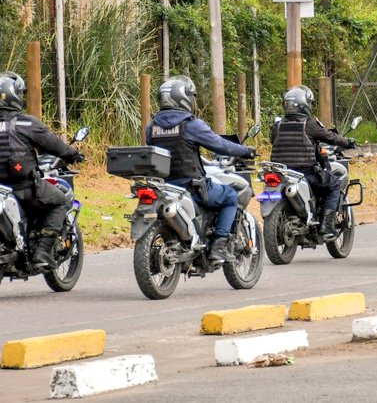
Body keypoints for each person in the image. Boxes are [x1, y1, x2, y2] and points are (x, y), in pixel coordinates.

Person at [0, 72, 84, 270]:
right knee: (61, 202)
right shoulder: (24, 123)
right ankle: (43, 251)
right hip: (21, 188)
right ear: (14, 95)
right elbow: (52, 143)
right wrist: (73, 154)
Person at [145, 75, 255, 263]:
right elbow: (220, 145)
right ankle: (218, 247)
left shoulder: (152, 126)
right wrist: (245, 151)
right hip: (191, 186)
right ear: (184, 99)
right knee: (229, 197)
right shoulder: (191, 125)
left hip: (165, 186)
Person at [269, 85, 356, 241]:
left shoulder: (278, 125)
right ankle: (326, 226)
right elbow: (330, 137)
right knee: (333, 185)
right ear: (304, 104)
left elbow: (272, 141)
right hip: (305, 173)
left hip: (282, 173)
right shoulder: (309, 124)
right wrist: (348, 142)